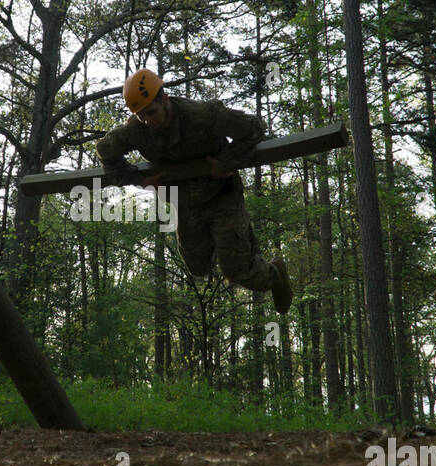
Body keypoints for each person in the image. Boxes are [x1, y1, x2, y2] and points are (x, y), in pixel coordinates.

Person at [97, 68, 293, 313]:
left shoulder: (202, 115)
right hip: (186, 203)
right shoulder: (136, 130)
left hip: (221, 195)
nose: (149, 121)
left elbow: (254, 128)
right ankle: (238, 245)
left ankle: (273, 273)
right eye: (142, 116)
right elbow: (106, 150)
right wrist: (138, 179)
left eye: (152, 113)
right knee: (197, 267)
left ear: (165, 99)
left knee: (235, 269)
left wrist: (225, 162)